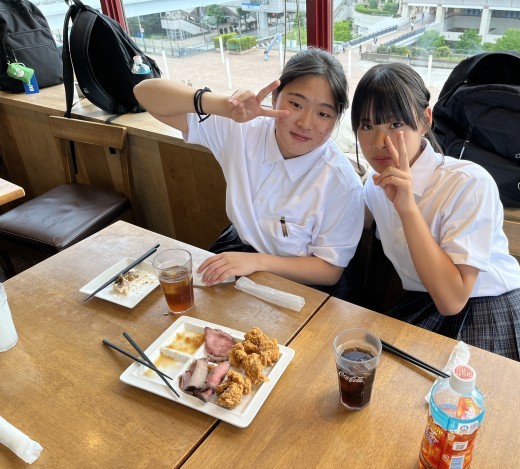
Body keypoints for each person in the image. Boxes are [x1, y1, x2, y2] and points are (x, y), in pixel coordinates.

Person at [350, 63, 520, 376]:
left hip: (492, 308)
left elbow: (453, 299)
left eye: (395, 123)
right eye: (367, 126)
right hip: (424, 304)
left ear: (425, 120)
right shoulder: (374, 187)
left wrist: (407, 208)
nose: (380, 141)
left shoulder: (468, 183)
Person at [134, 48, 364, 298]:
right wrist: (223, 106)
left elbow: (329, 270)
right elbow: (144, 92)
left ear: (336, 119)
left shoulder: (341, 183)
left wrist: (258, 262)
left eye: (323, 114)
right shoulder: (242, 128)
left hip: (305, 280)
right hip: (241, 250)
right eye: (296, 104)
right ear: (275, 98)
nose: (305, 123)